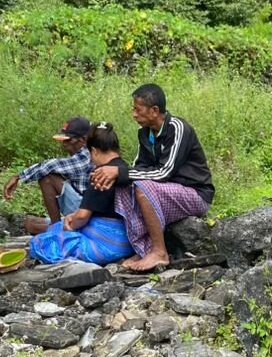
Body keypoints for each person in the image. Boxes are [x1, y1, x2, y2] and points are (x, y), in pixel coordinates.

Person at [89, 84, 214, 271]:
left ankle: (159, 252)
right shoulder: (145, 134)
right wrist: (111, 175)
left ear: (154, 111)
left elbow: (164, 172)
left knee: (142, 187)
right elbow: (139, 168)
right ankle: (143, 248)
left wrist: (119, 172)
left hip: (194, 194)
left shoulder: (178, 128)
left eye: (137, 109)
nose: (134, 114)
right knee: (126, 186)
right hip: (165, 193)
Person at [27, 122, 134, 265]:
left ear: (94, 151)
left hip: (107, 245)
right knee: (55, 227)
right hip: (129, 242)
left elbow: (82, 217)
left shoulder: (102, 174)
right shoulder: (124, 169)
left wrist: (69, 225)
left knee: (41, 243)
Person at [2, 116, 93, 234]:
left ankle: (56, 230)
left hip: (86, 211)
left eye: (68, 140)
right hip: (81, 207)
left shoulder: (87, 155)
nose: (64, 144)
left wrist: (18, 177)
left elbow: (50, 166)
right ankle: (58, 227)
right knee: (30, 222)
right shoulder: (82, 154)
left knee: (47, 178)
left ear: (83, 139)